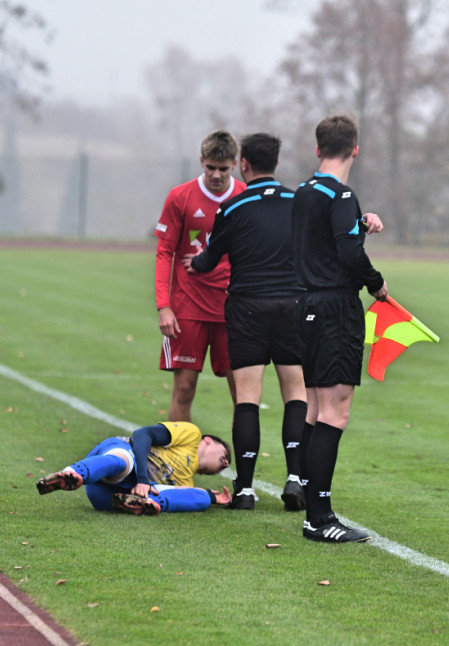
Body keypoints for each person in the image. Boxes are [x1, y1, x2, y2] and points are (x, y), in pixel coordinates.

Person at [183, 132, 308, 512]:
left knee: (248, 398)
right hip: (292, 305)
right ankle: (296, 479)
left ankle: (246, 490)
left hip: (247, 308)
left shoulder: (233, 208)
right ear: (276, 164)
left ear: (243, 165)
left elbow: (209, 259)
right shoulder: (298, 203)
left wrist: (196, 262)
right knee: (296, 394)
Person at [291, 113, 387, 542]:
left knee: (314, 410)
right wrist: (376, 282)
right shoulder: (341, 193)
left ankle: (315, 513)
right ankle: (320, 519)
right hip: (335, 311)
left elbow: (328, 245)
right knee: (335, 413)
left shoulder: (305, 191)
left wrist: (360, 225)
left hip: (307, 305)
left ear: (317, 149)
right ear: (356, 150)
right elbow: (347, 257)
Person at [153, 130, 247, 422]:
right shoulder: (180, 197)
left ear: (235, 164)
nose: (216, 175)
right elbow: (164, 252)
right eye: (210, 168)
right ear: (201, 162)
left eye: (223, 168)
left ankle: (244, 468)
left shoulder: (245, 197)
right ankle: (177, 464)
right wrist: (164, 306)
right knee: (183, 390)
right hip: (188, 310)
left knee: (243, 395)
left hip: (232, 311)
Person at [36, 422, 232, 514]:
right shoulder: (191, 435)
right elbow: (142, 435)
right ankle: (73, 473)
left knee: (199, 497)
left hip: (107, 497)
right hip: (113, 458)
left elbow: (189, 496)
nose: (226, 463)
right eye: (224, 454)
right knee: (122, 462)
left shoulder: (187, 481)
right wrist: (142, 479)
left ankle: (144, 504)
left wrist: (212, 496)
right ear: (207, 441)